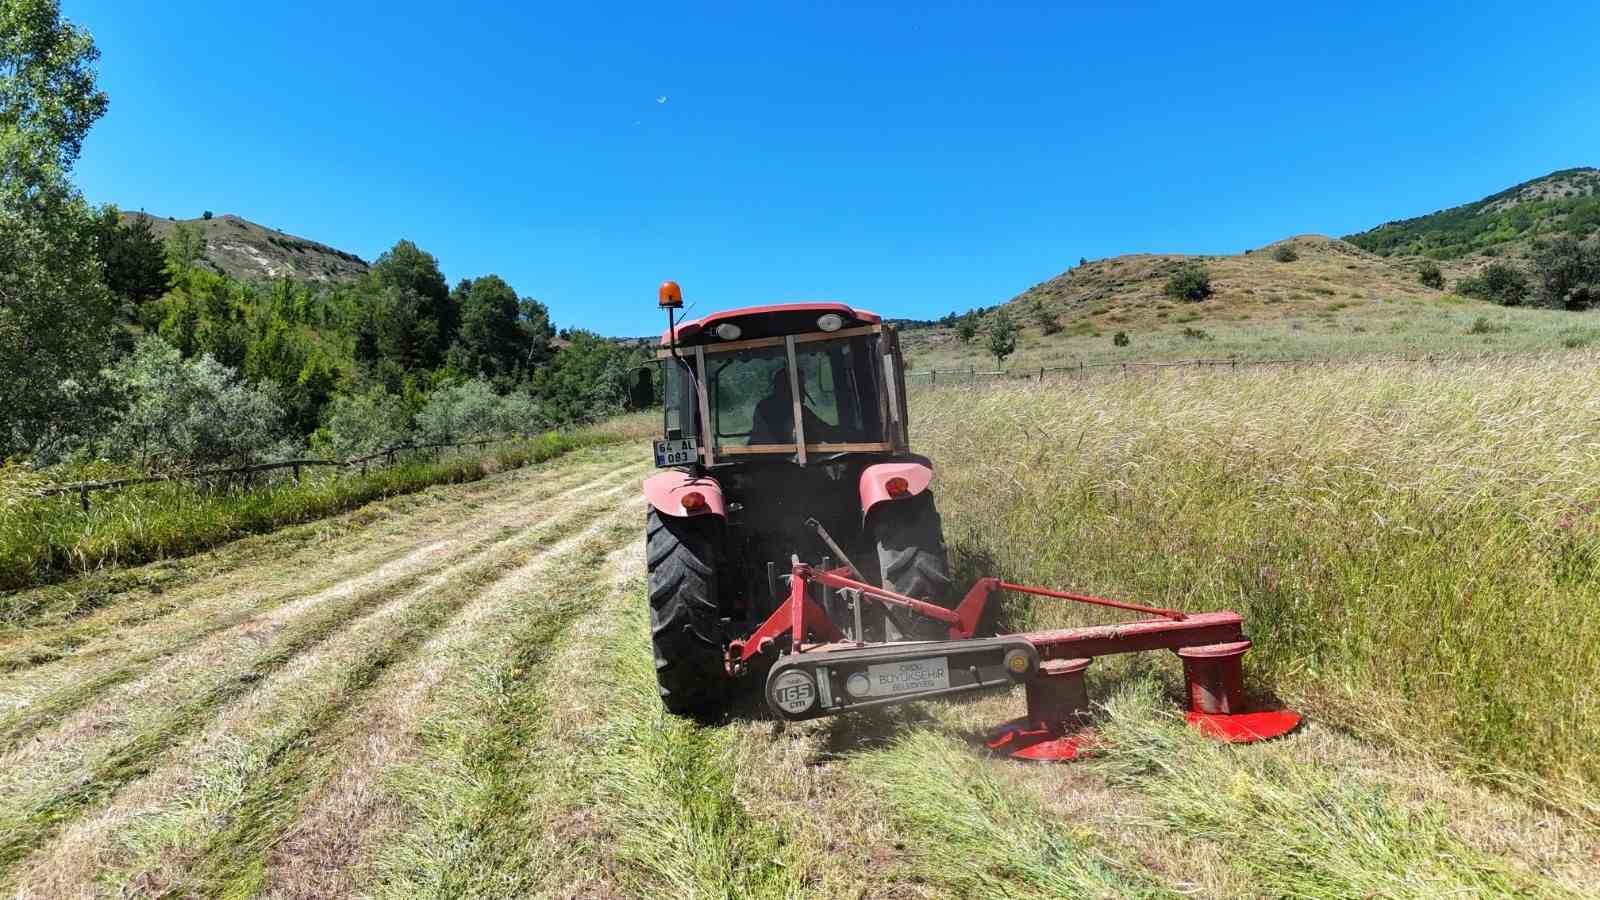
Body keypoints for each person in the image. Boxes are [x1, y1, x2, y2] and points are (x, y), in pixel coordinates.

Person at [749, 366, 834, 445]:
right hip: (779, 458)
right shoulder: (795, 410)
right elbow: (827, 433)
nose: (803, 391)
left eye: (802, 386)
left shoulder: (762, 406)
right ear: (788, 388)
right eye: (801, 386)